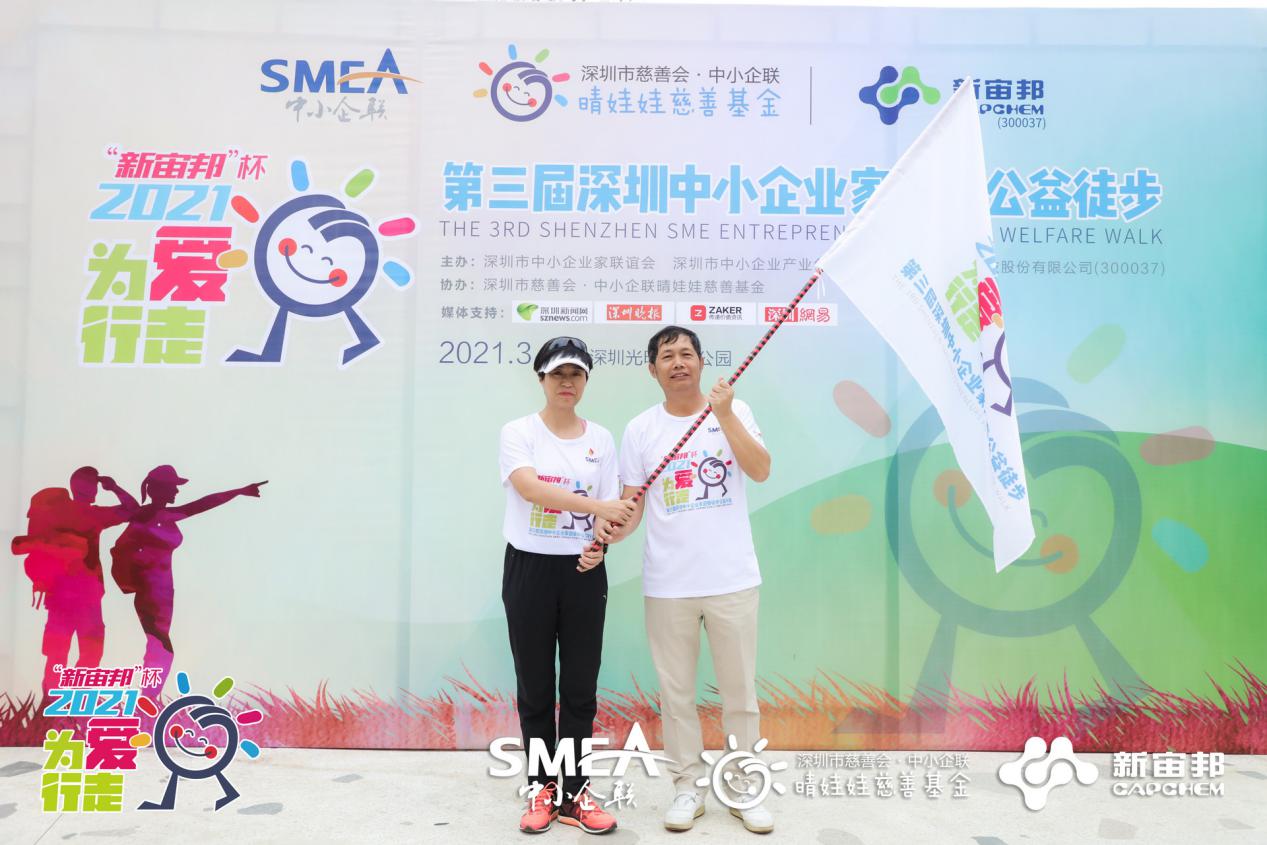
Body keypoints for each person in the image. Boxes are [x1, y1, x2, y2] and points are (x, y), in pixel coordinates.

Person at [598, 326, 774, 834]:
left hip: (732, 579)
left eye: (686, 354)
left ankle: (743, 787)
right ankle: (687, 787)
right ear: (651, 369)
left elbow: (761, 470)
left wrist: (724, 415)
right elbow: (633, 506)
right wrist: (608, 531)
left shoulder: (735, 411)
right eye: (667, 356)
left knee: (739, 694)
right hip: (668, 584)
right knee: (676, 698)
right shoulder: (641, 429)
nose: (678, 362)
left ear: (700, 362)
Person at [499, 336, 634, 835]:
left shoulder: (601, 438)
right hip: (529, 569)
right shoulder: (519, 432)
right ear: (541, 378)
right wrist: (599, 508)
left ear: (585, 381)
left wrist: (603, 539)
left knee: (579, 688)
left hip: (582, 573)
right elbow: (529, 488)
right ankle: (542, 787)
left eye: (576, 374)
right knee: (535, 687)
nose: (566, 382)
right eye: (557, 373)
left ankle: (575, 792)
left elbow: (609, 510)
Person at [109, 465, 265, 699]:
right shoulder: (152, 516)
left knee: (158, 646)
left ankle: (148, 698)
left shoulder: (157, 516)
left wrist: (239, 491)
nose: (176, 492)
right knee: (160, 647)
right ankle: (147, 699)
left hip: (163, 592)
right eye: (173, 487)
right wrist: (238, 491)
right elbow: (202, 504)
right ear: (159, 489)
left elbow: (200, 505)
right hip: (151, 591)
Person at [11, 467, 138, 695]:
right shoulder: (94, 515)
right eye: (94, 484)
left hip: (59, 594)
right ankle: (76, 701)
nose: (95, 489)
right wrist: (114, 488)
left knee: (57, 654)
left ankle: (51, 702)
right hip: (87, 595)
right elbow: (132, 510)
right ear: (88, 488)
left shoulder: (57, 511)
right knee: (90, 653)